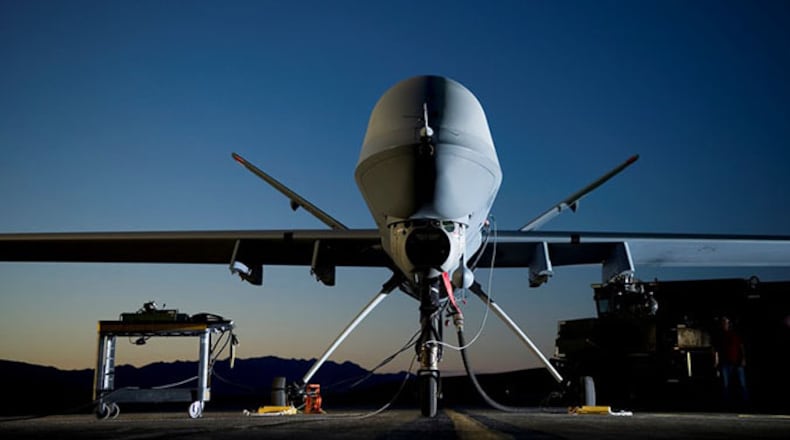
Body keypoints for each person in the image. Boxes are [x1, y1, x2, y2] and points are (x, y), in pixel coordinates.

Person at [712, 316, 749, 407]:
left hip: (737, 361)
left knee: (742, 384)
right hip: (725, 362)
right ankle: (727, 403)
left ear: (730, 324)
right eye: (723, 323)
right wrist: (716, 361)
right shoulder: (719, 335)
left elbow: (741, 347)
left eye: (726, 322)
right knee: (725, 384)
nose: (725, 324)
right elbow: (715, 350)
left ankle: (746, 402)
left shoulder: (736, 334)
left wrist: (743, 359)